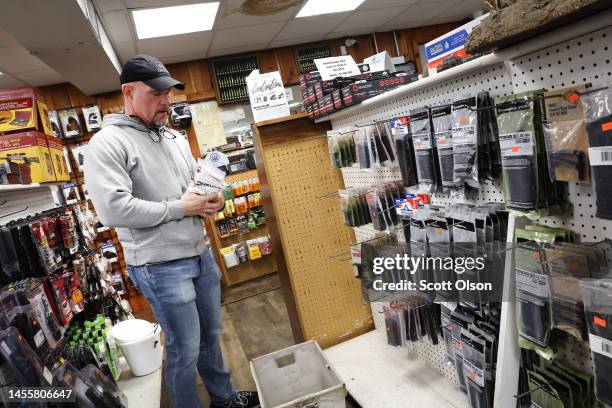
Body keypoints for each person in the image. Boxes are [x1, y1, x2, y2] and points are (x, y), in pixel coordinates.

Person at [84, 54, 260, 408]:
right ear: (128, 92)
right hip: (160, 266)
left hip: (200, 253)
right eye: (157, 93)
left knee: (211, 335)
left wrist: (213, 198)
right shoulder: (107, 143)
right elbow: (112, 210)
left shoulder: (175, 138)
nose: (166, 101)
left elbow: (193, 186)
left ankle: (224, 399)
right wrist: (183, 208)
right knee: (185, 347)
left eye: (169, 93)